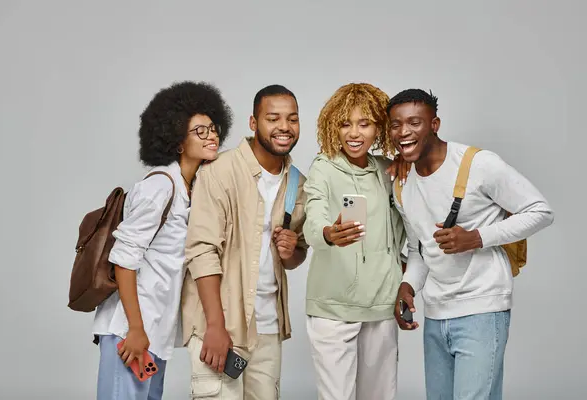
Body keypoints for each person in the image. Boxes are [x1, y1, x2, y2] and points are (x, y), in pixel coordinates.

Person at [389, 88, 555, 400]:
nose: (404, 132)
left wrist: (477, 237)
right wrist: (408, 285)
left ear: (434, 124)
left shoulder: (478, 164)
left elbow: (541, 211)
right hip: (436, 315)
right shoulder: (402, 182)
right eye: (396, 125)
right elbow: (419, 250)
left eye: (414, 123)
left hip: (482, 308)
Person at [92, 81, 233, 400]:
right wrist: (136, 330)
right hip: (131, 331)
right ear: (178, 141)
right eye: (200, 131)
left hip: (155, 330)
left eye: (213, 128)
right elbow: (123, 262)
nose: (212, 135)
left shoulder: (189, 190)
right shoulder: (160, 188)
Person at [181, 84, 309, 399]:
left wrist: (291, 252)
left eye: (292, 119)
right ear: (253, 123)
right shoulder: (220, 171)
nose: (284, 127)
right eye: (273, 118)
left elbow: (296, 256)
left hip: (268, 328)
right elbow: (201, 251)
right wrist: (215, 325)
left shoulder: (297, 183)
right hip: (220, 324)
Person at [302, 83, 407, 400]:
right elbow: (313, 215)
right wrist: (327, 234)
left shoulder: (386, 170)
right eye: (345, 123)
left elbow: (405, 224)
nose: (354, 133)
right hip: (334, 308)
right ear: (334, 124)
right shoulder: (324, 167)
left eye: (365, 123)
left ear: (379, 127)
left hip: (381, 304)